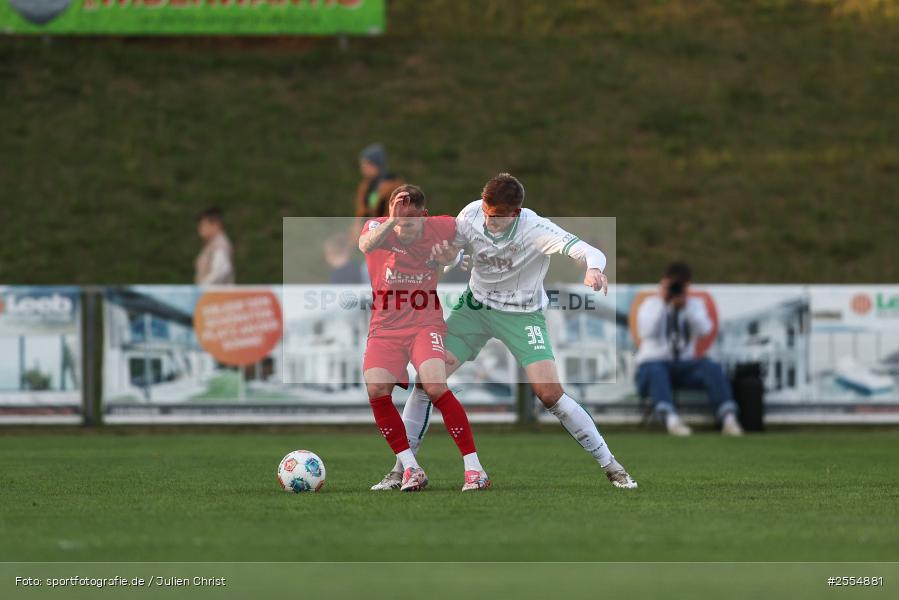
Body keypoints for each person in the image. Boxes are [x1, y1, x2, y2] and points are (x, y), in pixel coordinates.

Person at [371, 173, 637, 490]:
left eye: (496, 217)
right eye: (486, 213)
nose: (488, 222)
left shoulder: (536, 229)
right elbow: (453, 253)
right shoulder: (470, 215)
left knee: (550, 394)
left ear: (515, 212)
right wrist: (450, 258)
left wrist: (594, 268)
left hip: (522, 315)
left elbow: (589, 251)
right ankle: (402, 470)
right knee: (427, 383)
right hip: (475, 308)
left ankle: (613, 467)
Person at [359, 184, 490, 492]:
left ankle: (475, 469)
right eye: (399, 222)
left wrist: (456, 257)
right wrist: (393, 219)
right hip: (386, 325)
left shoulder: (441, 225)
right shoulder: (379, 227)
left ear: (425, 216)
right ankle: (411, 468)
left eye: (410, 223)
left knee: (433, 385)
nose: (404, 229)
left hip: (424, 322)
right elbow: (366, 245)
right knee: (376, 388)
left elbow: (470, 237)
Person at [634, 261, 743, 436]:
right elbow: (647, 332)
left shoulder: (694, 305)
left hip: (685, 365)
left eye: (681, 284)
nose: (676, 288)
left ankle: (728, 418)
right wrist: (664, 303)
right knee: (656, 370)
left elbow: (704, 330)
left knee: (711, 368)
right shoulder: (651, 304)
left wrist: (686, 308)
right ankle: (671, 420)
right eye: (673, 284)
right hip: (653, 364)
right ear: (664, 282)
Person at [355, 143, 404, 221]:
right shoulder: (366, 185)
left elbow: (393, 216)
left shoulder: (394, 186)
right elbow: (361, 212)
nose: (363, 169)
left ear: (377, 165)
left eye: (366, 165)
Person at [194, 207, 235, 285]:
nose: (200, 229)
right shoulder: (212, 244)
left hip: (217, 295)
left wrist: (202, 288)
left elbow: (221, 270)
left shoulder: (220, 244)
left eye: (203, 225)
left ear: (216, 225)